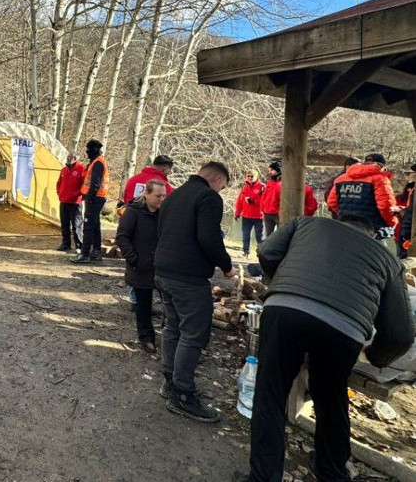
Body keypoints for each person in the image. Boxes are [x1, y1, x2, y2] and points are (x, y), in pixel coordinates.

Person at [235, 215, 414, 482]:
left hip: (286, 309)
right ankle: (332, 473)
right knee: (331, 397)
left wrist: (281, 280)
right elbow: (401, 333)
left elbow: (266, 251)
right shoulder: (389, 260)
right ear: (373, 235)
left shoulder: (306, 223)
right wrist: (375, 356)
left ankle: (263, 477)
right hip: (344, 329)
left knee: (270, 393)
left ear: (336, 220)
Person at [154, 161, 235, 423]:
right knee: (193, 334)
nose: (221, 191)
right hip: (188, 277)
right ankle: (183, 393)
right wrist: (226, 265)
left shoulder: (173, 194)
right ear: (217, 179)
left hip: (163, 272)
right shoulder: (208, 197)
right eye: (223, 186)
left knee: (172, 327)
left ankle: (170, 381)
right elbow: (209, 238)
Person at [115, 179, 167, 354]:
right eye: (158, 196)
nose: (161, 199)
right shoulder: (133, 212)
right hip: (140, 266)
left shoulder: (164, 213)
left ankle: (169, 336)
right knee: (143, 305)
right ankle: (146, 338)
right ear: (147, 194)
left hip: (161, 266)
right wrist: (133, 259)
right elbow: (122, 237)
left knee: (170, 303)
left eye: (164, 196)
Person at [326, 152, 400, 238]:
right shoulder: (380, 179)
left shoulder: (341, 179)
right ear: (380, 165)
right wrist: (393, 223)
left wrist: (345, 213)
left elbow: (331, 202)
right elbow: (385, 206)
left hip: (346, 226)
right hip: (371, 229)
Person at [71, 139, 109, 264]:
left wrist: (89, 198)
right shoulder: (97, 162)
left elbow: (95, 183)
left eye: (88, 150)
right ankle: (96, 252)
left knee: (88, 226)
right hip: (97, 197)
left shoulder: (97, 163)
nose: (87, 152)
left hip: (95, 198)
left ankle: (85, 254)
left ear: (94, 150)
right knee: (95, 226)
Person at [55, 151, 85, 252]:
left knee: (76, 224)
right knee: (64, 224)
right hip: (64, 200)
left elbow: (84, 185)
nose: (68, 158)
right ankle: (65, 244)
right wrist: (59, 193)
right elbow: (59, 183)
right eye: (68, 156)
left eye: (71, 157)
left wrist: (77, 194)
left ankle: (79, 245)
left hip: (75, 202)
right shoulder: (64, 170)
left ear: (76, 158)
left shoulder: (81, 169)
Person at [234, 169, 263, 258]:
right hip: (246, 216)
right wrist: (237, 213)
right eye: (248, 176)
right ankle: (246, 252)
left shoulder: (262, 187)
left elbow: (265, 201)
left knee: (259, 237)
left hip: (258, 217)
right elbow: (240, 201)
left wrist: (253, 201)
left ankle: (261, 253)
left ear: (256, 177)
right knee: (245, 235)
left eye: (252, 176)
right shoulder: (244, 186)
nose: (250, 178)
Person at [397, 164, 416, 257]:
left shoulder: (413, 191)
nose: (409, 175)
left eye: (411, 173)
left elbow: (411, 213)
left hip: (410, 236)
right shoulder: (411, 189)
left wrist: (405, 235)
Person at [261, 161, 282, 237]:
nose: (269, 172)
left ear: (278, 170)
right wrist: (262, 207)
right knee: (268, 235)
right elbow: (264, 195)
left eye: (272, 170)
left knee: (281, 234)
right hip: (267, 212)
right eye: (269, 170)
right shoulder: (269, 182)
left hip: (278, 213)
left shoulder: (284, 183)